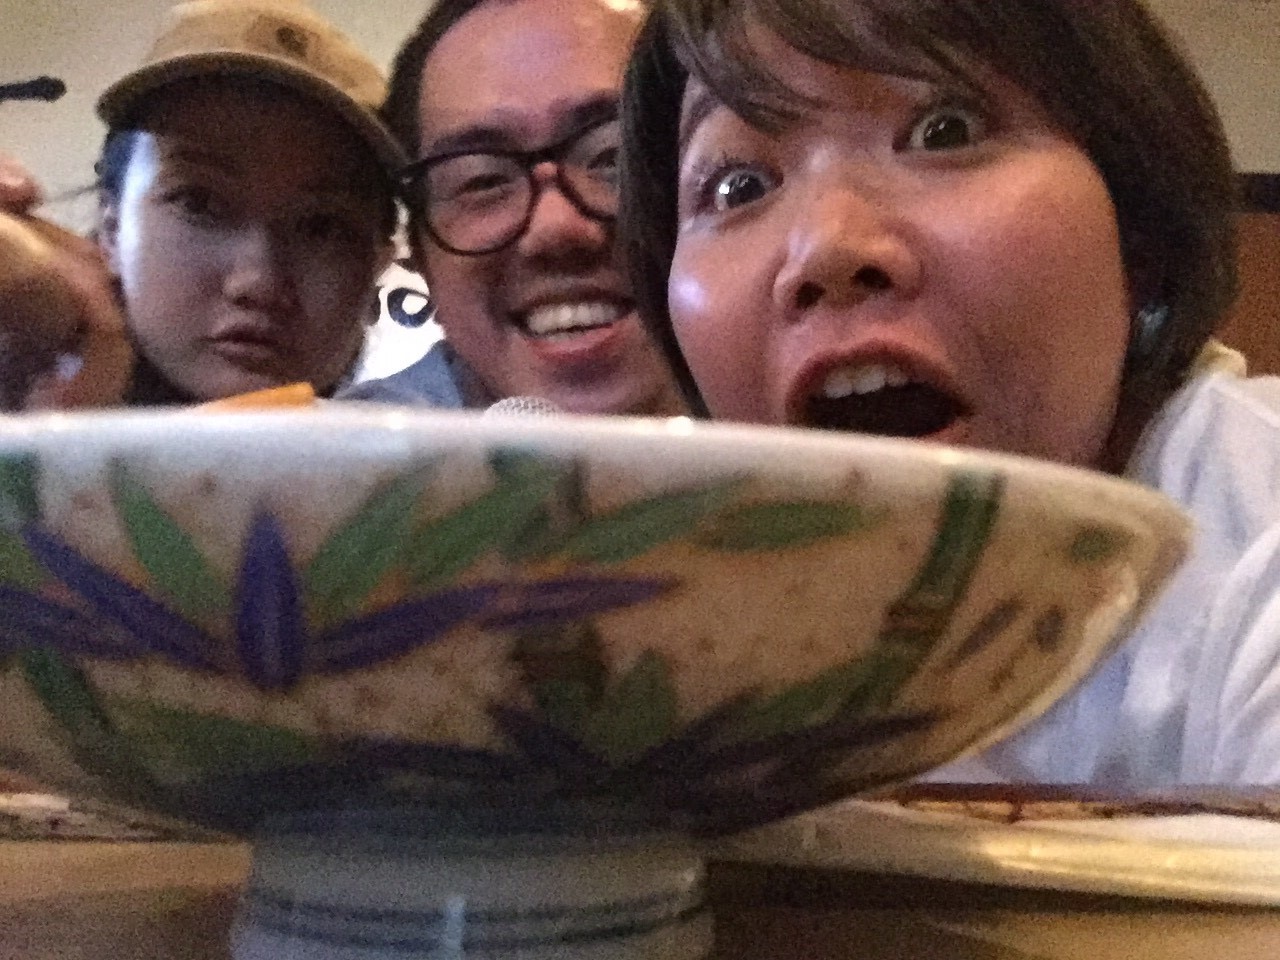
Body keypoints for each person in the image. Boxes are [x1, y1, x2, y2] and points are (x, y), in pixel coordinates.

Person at [619, 0, 1280, 785]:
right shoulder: (659, 605)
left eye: (945, 131)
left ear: (1137, 230)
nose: (827, 247)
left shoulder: (1258, 532)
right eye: (738, 186)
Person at [1, 0, 403, 408]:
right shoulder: (26, 421)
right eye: (199, 203)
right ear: (113, 228)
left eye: (321, 227)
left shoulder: (420, 443)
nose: (258, 284)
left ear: (377, 264)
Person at [346, 0, 686, 416]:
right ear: (420, 255)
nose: (556, 228)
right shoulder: (338, 452)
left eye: (614, 157)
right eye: (483, 180)